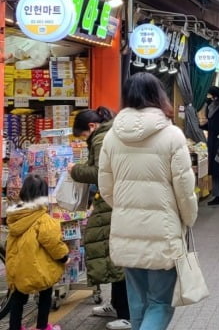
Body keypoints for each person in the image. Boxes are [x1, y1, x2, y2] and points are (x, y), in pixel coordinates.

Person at [98, 72, 198, 330]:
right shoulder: (172, 135)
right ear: (158, 96)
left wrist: (125, 209)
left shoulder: (112, 136)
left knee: (138, 304)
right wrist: (188, 219)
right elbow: (185, 190)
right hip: (163, 232)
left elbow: (106, 188)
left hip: (126, 231)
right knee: (160, 304)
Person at [69, 107, 131, 330]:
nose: (85, 139)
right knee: (111, 254)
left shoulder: (102, 138)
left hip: (112, 202)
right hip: (111, 200)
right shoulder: (109, 133)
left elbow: (99, 172)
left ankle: (127, 313)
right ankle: (117, 306)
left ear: (92, 127)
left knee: (116, 256)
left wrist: (74, 170)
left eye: (84, 135)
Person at [6, 174, 69, 330]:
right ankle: (42, 326)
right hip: (38, 269)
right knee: (45, 295)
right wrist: (64, 257)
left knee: (18, 299)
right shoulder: (43, 219)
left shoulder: (15, 216)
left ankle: (15, 327)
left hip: (18, 268)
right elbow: (53, 243)